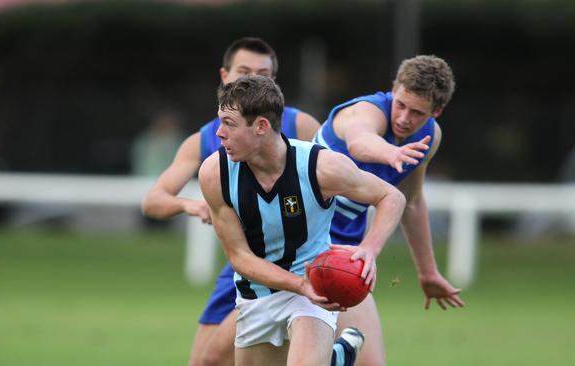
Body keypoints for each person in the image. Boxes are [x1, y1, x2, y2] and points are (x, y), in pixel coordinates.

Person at [199, 75, 406, 366]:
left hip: (311, 292)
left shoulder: (321, 167)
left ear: (261, 126)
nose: (219, 133)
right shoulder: (214, 173)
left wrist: (370, 250)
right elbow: (239, 257)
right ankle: (336, 358)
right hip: (256, 293)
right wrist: (298, 284)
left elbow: (391, 197)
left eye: (229, 124)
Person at [142, 37, 325, 366]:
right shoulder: (207, 138)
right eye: (243, 71)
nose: (251, 78)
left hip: (304, 260)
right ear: (225, 75)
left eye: (263, 73)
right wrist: (192, 205)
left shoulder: (299, 125)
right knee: (205, 362)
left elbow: (338, 184)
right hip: (246, 261)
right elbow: (153, 202)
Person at [313, 55, 466, 364]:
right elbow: (359, 141)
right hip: (296, 242)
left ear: (437, 111)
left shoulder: (429, 137)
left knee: (371, 362)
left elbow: (411, 201)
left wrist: (428, 272)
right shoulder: (366, 111)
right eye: (400, 104)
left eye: (417, 112)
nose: (404, 118)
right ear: (394, 89)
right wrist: (391, 152)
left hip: (346, 254)